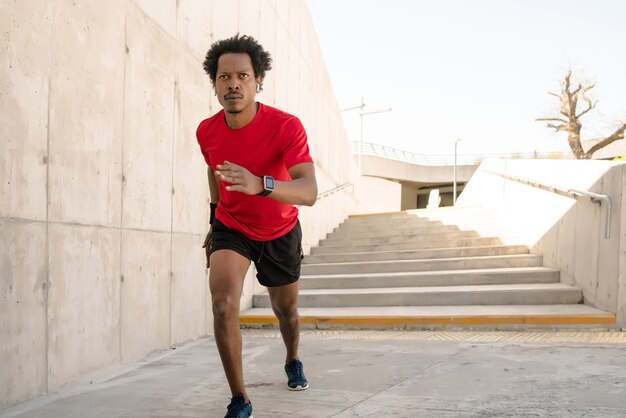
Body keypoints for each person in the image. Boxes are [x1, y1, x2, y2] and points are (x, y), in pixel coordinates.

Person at [196, 34, 318, 418]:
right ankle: (240, 398)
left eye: (243, 76)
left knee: (287, 312)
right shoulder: (207, 130)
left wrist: (260, 184)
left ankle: (293, 358)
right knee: (222, 305)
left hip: (280, 230)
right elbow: (214, 174)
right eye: (224, 77)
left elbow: (309, 190)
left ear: (258, 79)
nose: (233, 84)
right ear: (215, 84)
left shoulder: (285, 126)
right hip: (233, 227)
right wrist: (215, 220)